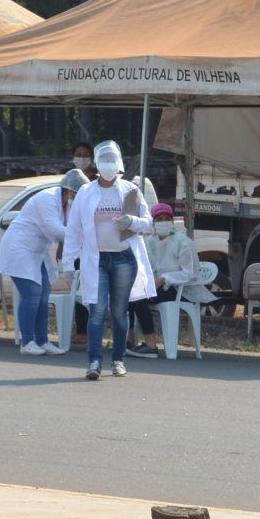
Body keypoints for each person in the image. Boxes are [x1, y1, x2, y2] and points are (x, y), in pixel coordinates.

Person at [64, 140, 156, 380]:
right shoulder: (86, 192)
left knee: (119, 311)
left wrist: (132, 222)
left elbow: (148, 222)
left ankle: (118, 360)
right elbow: (73, 229)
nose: (108, 164)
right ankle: (94, 361)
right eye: (104, 160)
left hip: (124, 258)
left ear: (119, 163)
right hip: (96, 260)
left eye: (112, 160)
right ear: (97, 163)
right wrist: (67, 263)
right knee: (96, 310)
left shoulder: (130, 190)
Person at [0, 169, 81, 356]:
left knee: (43, 294)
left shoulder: (67, 204)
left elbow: (67, 229)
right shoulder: (47, 198)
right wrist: (82, 237)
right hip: (19, 248)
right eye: (78, 194)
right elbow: (55, 228)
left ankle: (42, 341)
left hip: (37, 252)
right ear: (69, 191)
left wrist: (70, 240)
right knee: (31, 294)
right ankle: (27, 342)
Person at [127, 202, 197, 358]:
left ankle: (151, 344)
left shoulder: (183, 242)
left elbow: (190, 274)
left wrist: (165, 279)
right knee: (129, 294)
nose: (163, 222)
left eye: (167, 218)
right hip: (157, 286)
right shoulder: (150, 242)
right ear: (153, 222)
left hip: (180, 289)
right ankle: (128, 340)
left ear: (172, 221)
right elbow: (148, 268)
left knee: (139, 298)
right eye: (159, 219)